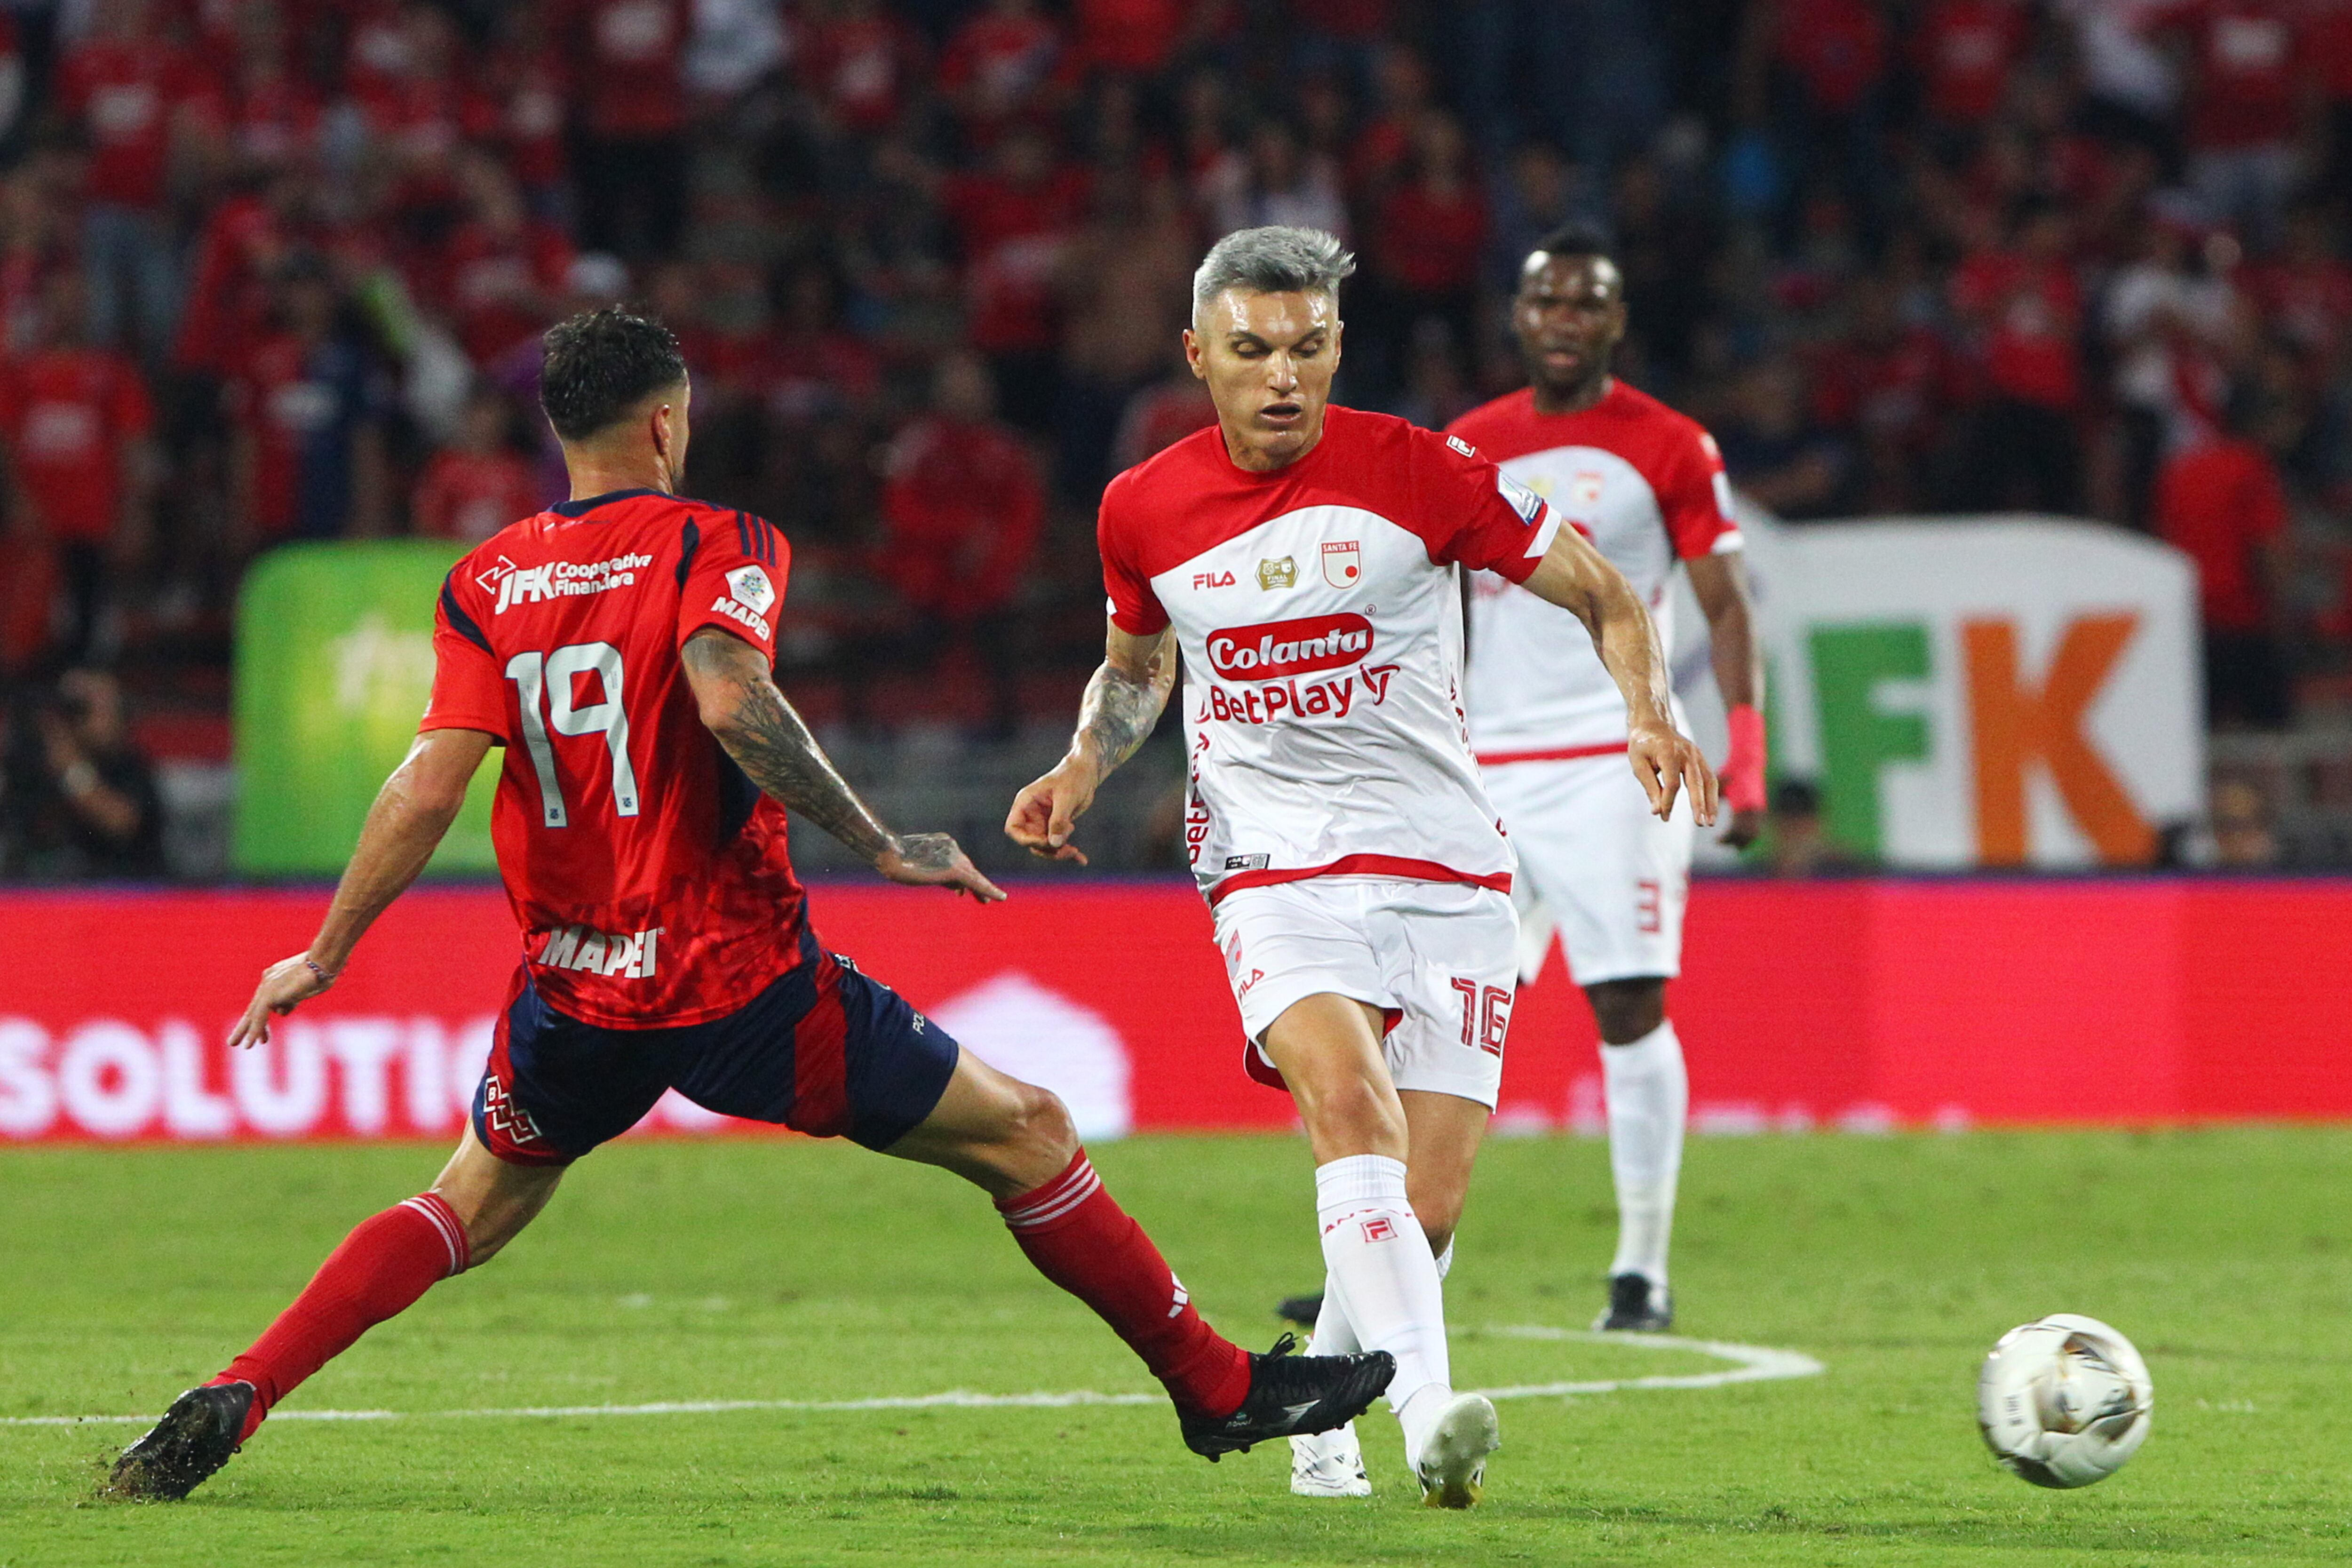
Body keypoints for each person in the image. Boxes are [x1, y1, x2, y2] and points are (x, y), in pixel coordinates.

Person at [107, 307, 1393, 1503]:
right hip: (741, 988)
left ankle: (243, 1384)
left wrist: (324, 949)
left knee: (461, 1205)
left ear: (562, 428)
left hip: (573, 994)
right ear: (666, 422)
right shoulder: (716, 540)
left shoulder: (486, 580)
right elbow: (730, 698)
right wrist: (881, 839)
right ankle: (1217, 1387)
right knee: (1030, 1132)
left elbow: (423, 785)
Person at [1007, 228, 1714, 1507]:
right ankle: (1433, 1411)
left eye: (1308, 347)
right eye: (1252, 351)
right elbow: (1136, 663)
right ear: (1196, 355)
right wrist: (1081, 767)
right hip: (1272, 859)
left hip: (1445, 857)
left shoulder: (1423, 468)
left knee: (1424, 1207)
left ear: (1338, 345)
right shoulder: (1142, 505)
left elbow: (1608, 593)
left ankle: (1325, 1409)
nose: (1283, 377)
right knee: (1352, 1109)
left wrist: (1650, 712)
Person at [1448, 226, 1764, 1337]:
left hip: (1611, 758)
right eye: (1547, 301)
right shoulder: (1467, 445)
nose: (1565, 320)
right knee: (1439, 1015)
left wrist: (1748, 750)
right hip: (1482, 765)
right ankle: (1395, 1263)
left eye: (1588, 303)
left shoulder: (1669, 443)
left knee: (1626, 1001)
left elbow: (1725, 602)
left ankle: (1641, 1269)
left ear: (1615, 321)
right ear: (1520, 316)